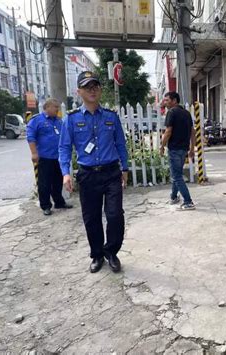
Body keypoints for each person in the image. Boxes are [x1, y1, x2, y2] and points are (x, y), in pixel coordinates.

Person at [59, 71, 128, 274]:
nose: (92, 90)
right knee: (92, 218)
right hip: (88, 174)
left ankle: (111, 252)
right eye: (87, 87)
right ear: (78, 91)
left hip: (111, 173)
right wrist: (66, 173)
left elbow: (121, 144)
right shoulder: (71, 120)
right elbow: (64, 148)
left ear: (100, 90)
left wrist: (124, 168)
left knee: (115, 215)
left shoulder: (111, 117)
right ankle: (97, 254)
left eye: (95, 86)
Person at [27, 99, 73, 216]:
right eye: (54, 107)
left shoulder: (58, 121)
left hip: (58, 157)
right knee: (44, 183)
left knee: (57, 182)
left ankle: (59, 202)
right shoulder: (37, 120)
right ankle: (46, 205)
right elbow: (31, 137)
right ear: (46, 107)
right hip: (44, 157)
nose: (57, 109)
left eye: (58, 107)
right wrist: (34, 153)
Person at [159, 91, 196, 210]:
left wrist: (162, 146)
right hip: (184, 149)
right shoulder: (186, 113)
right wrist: (191, 149)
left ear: (174, 100)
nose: (165, 102)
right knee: (177, 174)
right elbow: (193, 132)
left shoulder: (171, 112)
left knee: (177, 176)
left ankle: (188, 201)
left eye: (167, 100)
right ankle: (174, 197)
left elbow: (168, 131)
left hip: (174, 149)